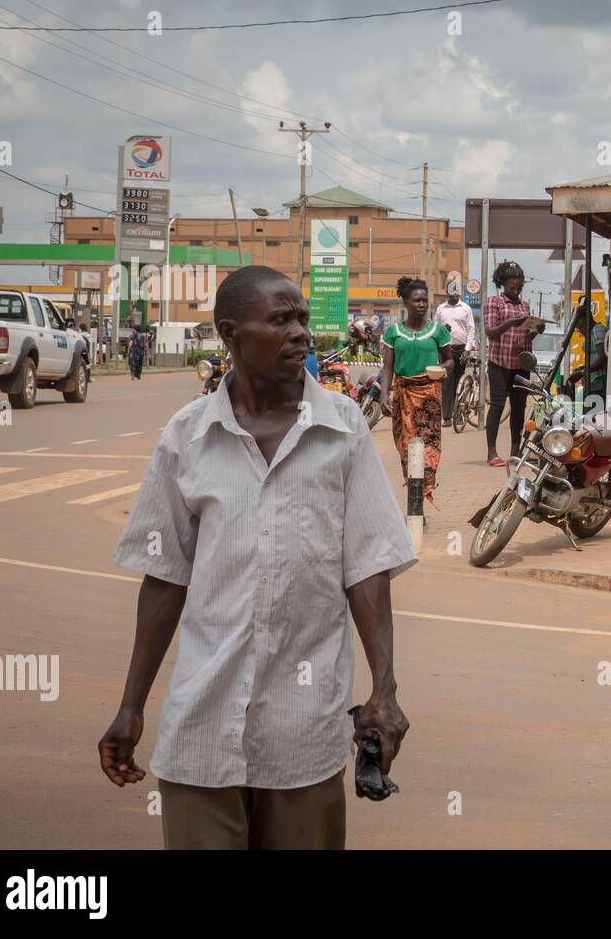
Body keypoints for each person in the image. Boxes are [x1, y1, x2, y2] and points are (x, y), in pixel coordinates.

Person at [98, 265, 415, 849]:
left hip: (305, 735)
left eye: (302, 318)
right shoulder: (186, 437)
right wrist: (131, 705)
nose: (300, 332)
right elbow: (165, 579)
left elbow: (368, 565)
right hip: (202, 727)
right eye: (280, 319)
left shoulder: (343, 428)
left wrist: (385, 689)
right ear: (230, 333)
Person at [379, 276, 453, 501]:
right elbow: (388, 367)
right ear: (406, 303)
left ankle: (421, 496)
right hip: (403, 396)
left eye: (425, 301)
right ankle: (414, 496)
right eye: (416, 301)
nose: (421, 305)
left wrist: (442, 368)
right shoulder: (393, 332)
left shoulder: (438, 331)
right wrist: (384, 395)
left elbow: (450, 360)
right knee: (407, 448)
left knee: (428, 448)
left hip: (429, 395)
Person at [483, 261, 544, 466]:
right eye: (512, 288)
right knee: (497, 406)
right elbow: (490, 332)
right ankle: (492, 452)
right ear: (503, 284)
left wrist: (537, 329)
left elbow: (525, 336)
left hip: (521, 364)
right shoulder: (494, 302)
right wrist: (510, 323)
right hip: (499, 363)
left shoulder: (524, 305)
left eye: (519, 288)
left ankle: (515, 450)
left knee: (519, 408)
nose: (516, 291)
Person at [433, 291, 476, 426]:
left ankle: (458, 414)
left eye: (458, 292)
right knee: (446, 383)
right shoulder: (441, 309)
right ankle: (446, 417)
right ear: (447, 293)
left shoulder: (465, 308)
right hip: (445, 349)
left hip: (461, 349)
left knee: (459, 382)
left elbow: (471, 329)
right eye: (453, 292)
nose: (456, 295)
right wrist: (442, 330)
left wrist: (467, 349)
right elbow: (435, 328)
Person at [565, 302, 608, 410]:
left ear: (587, 319)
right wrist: (582, 368)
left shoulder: (597, 329)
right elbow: (593, 358)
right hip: (592, 381)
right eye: (577, 329)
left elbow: (602, 357)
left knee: (593, 415)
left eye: (581, 327)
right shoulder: (590, 332)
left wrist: (582, 372)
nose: (581, 331)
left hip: (599, 381)